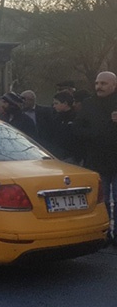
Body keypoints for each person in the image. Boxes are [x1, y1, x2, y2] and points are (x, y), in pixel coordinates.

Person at [72, 71, 117, 245]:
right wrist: (94, 134)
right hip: (97, 159)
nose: (99, 86)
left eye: (104, 83)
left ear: (114, 85)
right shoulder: (89, 104)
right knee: (101, 200)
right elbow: (76, 128)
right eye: (98, 83)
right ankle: (104, 232)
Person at [48, 91, 79, 162]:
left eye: (56, 103)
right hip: (57, 154)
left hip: (70, 156)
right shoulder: (56, 118)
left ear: (65, 103)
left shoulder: (76, 118)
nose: (54, 106)